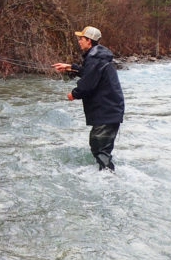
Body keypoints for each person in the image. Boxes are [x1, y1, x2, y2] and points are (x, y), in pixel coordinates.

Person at [53, 26, 125, 171]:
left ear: (89, 41)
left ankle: (109, 178)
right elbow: (90, 73)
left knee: (99, 146)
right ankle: (105, 174)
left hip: (108, 111)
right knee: (98, 145)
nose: (79, 41)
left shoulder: (95, 58)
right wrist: (70, 67)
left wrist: (74, 94)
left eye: (82, 39)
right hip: (109, 111)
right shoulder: (97, 56)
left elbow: (88, 85)